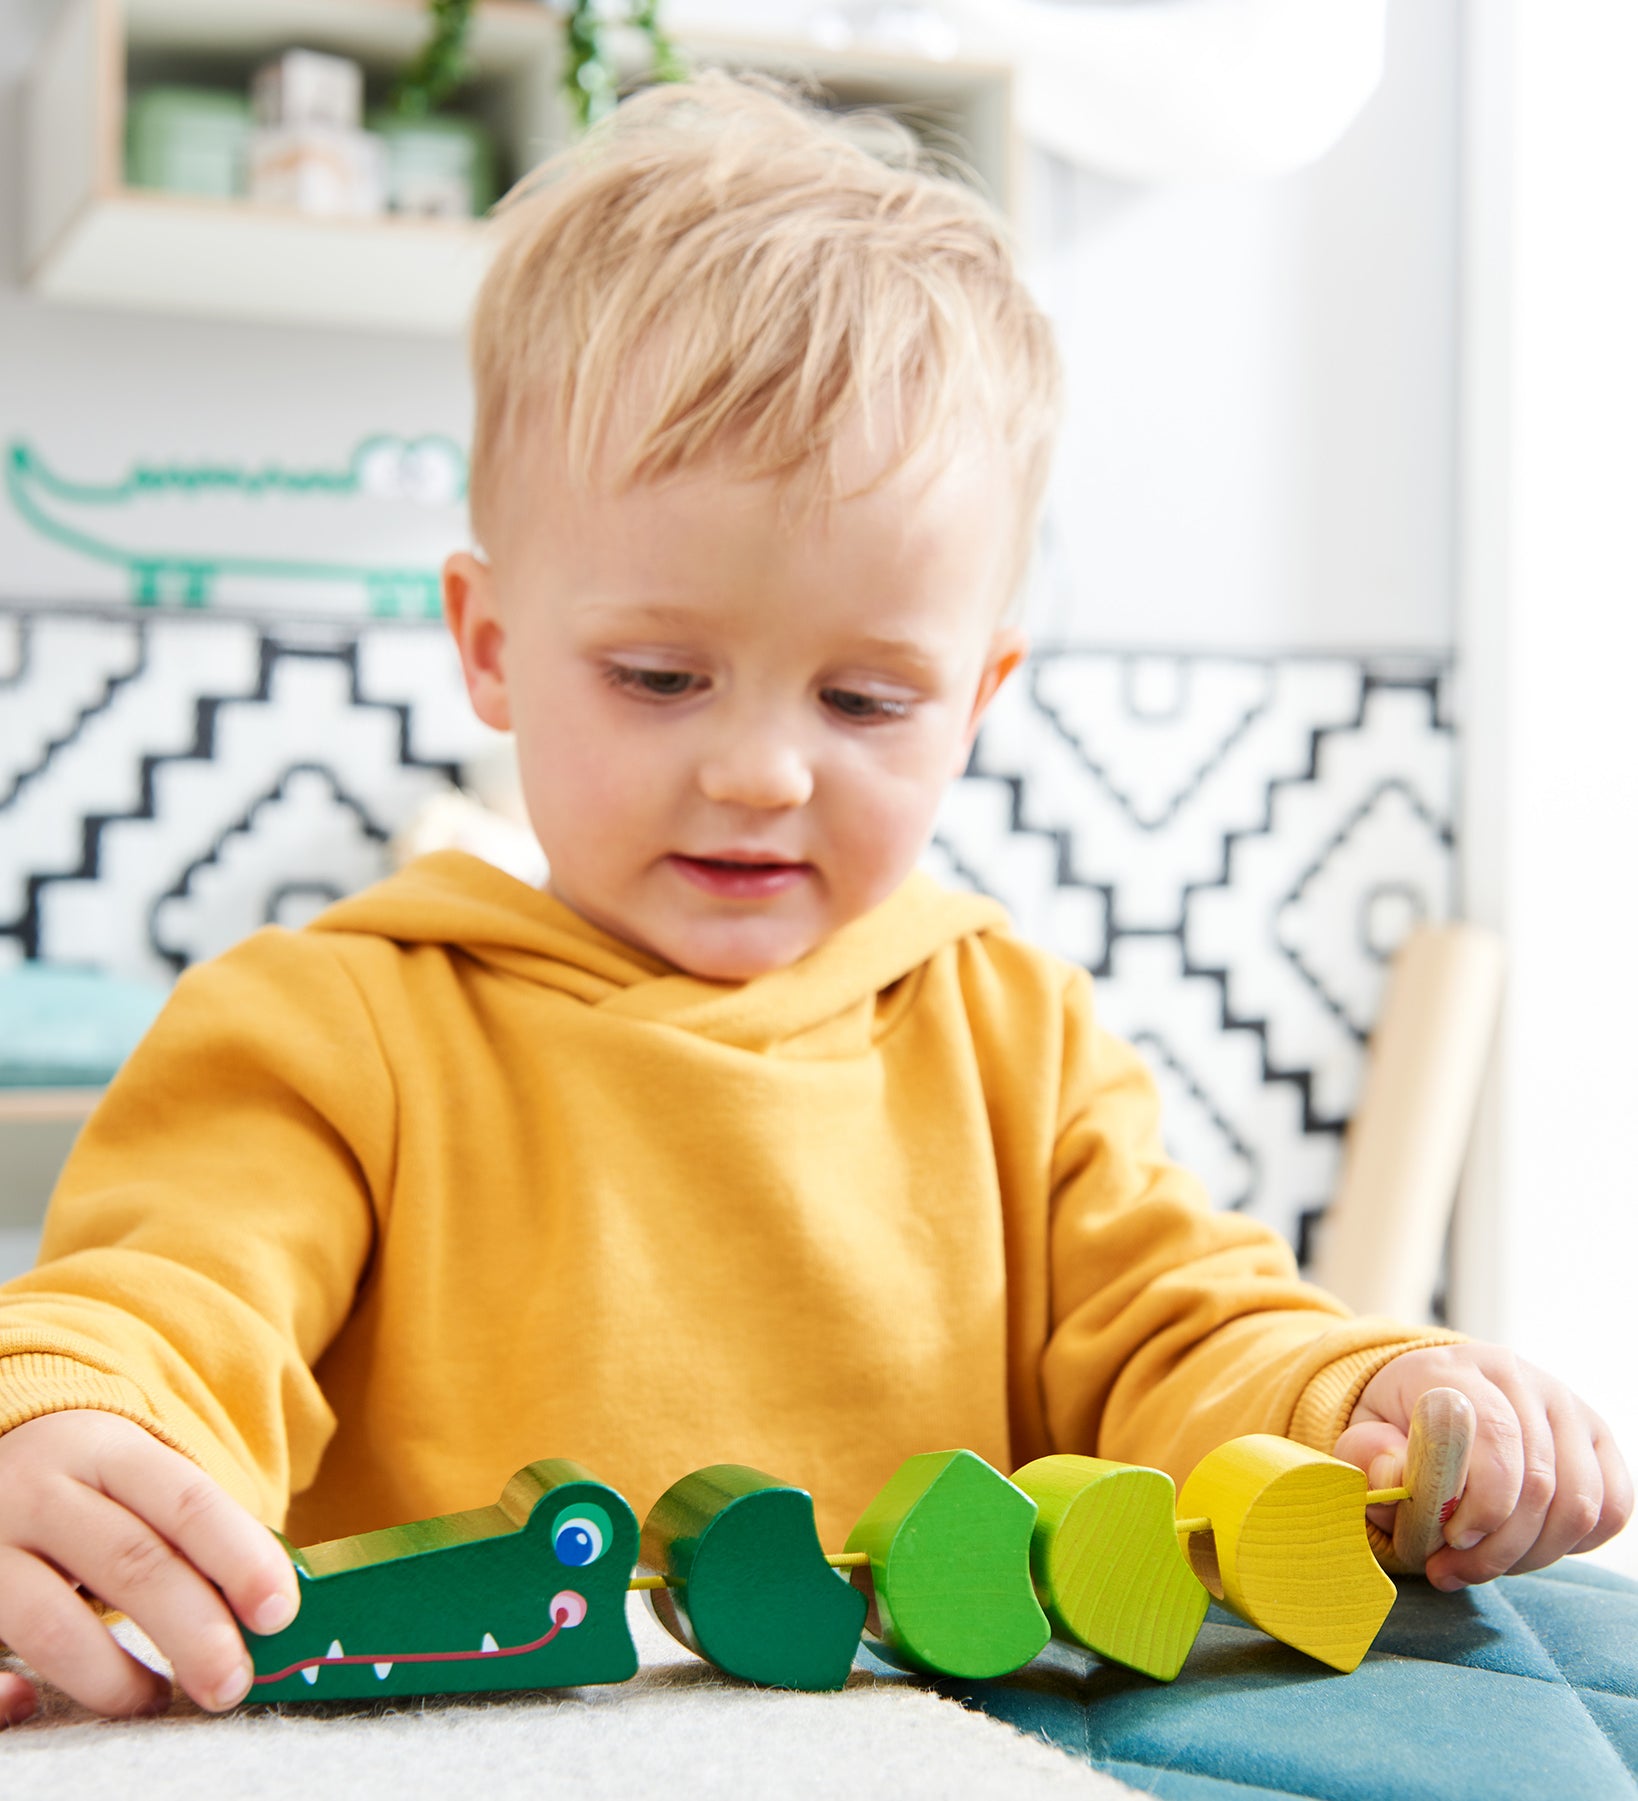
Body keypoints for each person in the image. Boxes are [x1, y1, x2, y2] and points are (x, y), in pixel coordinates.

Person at [0, 74, 1626, 1729]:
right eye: (659, 676)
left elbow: (1177, 1330)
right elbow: (164, 1312)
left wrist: (1369, 1396)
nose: (764, 772)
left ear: (977, 694)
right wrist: (60, 1420)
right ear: (488, 646)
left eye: (863, 703)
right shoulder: (327, 1028)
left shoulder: (1011, 1029)